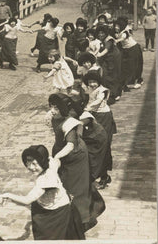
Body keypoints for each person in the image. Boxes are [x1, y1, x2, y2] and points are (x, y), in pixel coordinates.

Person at [46, 94, 105, 231]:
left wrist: (56, 157)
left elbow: (71, 145)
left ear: (63, 108)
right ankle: (68, 216)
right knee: (65, 185)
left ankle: (84, 220)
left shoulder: (69, 123)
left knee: (76, 188)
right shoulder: (55, 117)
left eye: (56, 108)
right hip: (63, 154)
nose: (53, 110)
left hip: (75, 158)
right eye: (51, 107)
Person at [2, 145, 85, 240]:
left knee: (51, 237)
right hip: (47, 205)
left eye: (34, 164)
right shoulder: (50, 162)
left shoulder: (47, 180)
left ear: (43, 162)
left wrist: (7, 195)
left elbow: (27, 200)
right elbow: (57, 162)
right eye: (28, 162)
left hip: (57, 212)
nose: (30, 167)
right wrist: (57, 158)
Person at [82, 72, 117, 189]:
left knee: (104, 145)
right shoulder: (90, 89)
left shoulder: (102, 90)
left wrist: (87, 108)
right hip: (95, 117)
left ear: (99, 82)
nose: (92, 84)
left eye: (94, 81)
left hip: (104, 118)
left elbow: (98, 100)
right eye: (90, 82)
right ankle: (96, 174)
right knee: (93, 145)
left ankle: (104, 176)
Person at [114, 17, 143, 90]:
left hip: (133, 49)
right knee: (127, 66)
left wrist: (116, 40)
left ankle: (136, 81)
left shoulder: (124, 32)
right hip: (127, 50)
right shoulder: (118, 32)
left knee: (133, 65)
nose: (116, 28)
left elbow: (123, 37)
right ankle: (131, 81)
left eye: (118, 26)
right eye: (115, 26)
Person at [95, 25, 122, 104]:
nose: (100, 35)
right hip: (106, 58)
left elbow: (106, 50)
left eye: (102, 33)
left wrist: (98, 55)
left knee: (114, 74)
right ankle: (108, 91)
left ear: (106, 33)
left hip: (114, 58)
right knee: (106, 74)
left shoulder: (109, 39)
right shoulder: (99, 40)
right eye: (99, 33)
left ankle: (115, 93)